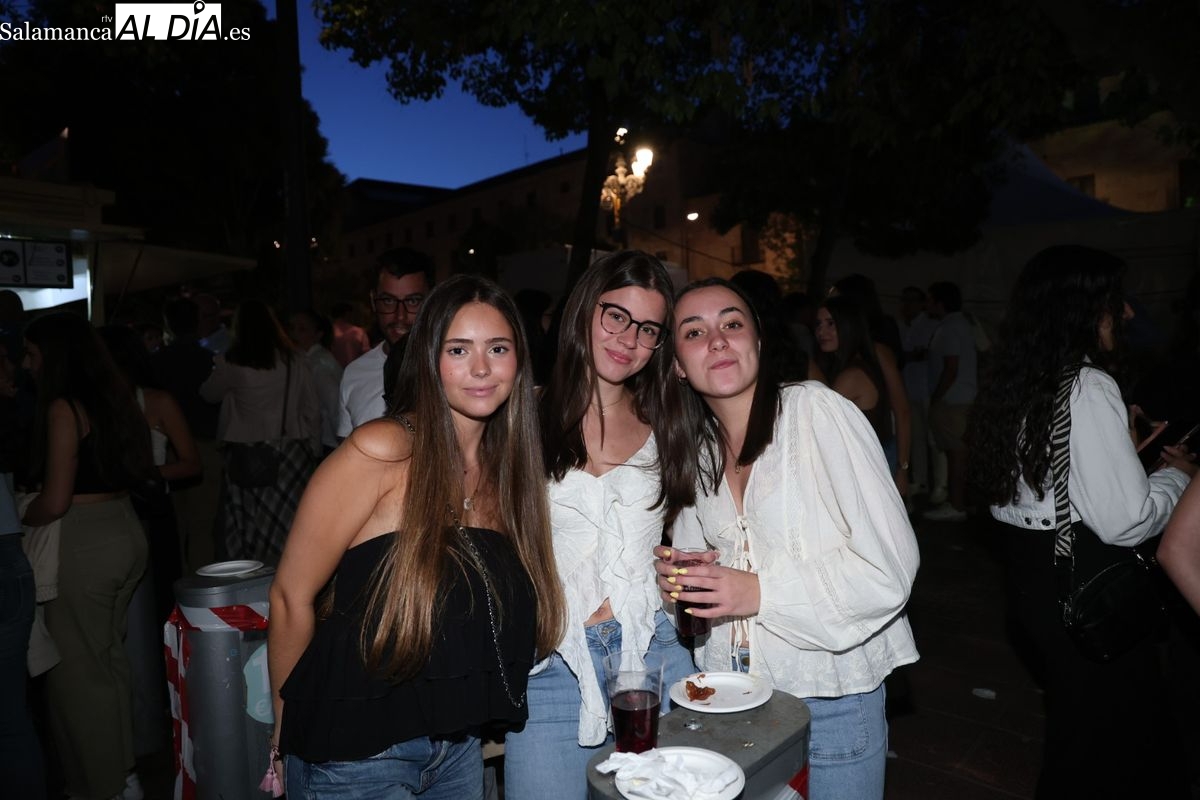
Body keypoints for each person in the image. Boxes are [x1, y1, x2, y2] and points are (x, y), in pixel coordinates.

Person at [269, 275, 564, 800]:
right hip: (355, 756)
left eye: (498, 348)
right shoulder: (383, 448)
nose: (481, 368)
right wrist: (281, 728)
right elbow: (291, 596)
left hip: (456, 749)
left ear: (519, 362)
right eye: (458, 350)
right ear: (429, 358)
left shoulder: (508, 477)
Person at [656, 278, 920, 800]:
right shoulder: (696, 451)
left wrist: (759, 591)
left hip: (829, 701)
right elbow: (696, 579)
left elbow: (890, 567)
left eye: (732, 323)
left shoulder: (816, 413)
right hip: (731, 700)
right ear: (678, 366)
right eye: (694, 332)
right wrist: (676, 590)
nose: (717, 340)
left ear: (757, 340)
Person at [969, 244, 1195, 799]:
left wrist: (1123, 457)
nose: (1128, 312)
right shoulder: (1088, 386)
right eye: (1117, 299)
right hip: (1084, 585)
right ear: (1083, 306)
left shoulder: (1017, 379)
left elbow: (1050, 481)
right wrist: (1178, 479)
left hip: (1032, 578)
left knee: (1080, 728)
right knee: (1111, 740)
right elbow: (1127, 522)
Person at [503, 251, 698, 799]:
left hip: (655, 653)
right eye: (616, 316)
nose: (628, 339)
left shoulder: (671, 421)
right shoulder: (520, 415)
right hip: (552, 664)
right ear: (585, 308)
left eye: (648, 329)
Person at [21, 312, 156, 800]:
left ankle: (101, 786)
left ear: (54, 355)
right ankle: (123, 775)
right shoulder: (115, 397)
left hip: (84, 540)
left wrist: (20, 511)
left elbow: (56, 500)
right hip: (125, 526)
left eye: (32, 354)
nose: (27, 364)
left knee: (77, 676)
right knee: (108, 662)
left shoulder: (63, 407)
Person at [200, 300, 320, 565]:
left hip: (244, 453)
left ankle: (253, 579)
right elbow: (311, 409)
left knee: (249, 526)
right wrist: (314, 448)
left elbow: (208, 394)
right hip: (290, 452)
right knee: (289, 525)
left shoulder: (231, 363)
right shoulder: (295, 360)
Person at [828, 274, 911, 497]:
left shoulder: (876, 350)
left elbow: (902, 410)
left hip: (877, 450)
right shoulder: (836, 353)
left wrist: (903, 468)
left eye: (836, 302)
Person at [337, 249, 433, 439]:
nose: (400, 316)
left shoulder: (455, 369)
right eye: (388, 301)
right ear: (373, 302)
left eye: (413, 301)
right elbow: (346, 449)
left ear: (431, 301)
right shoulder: (354, 373)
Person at [815, 295, 904, 482]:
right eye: (818, 324)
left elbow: (818, 425)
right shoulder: (855, 365)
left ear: (849, 326)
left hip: (866, 469)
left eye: (831, 323)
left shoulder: (852, 375)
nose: (821, 331)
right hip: (871, 463)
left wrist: (903, 468)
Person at [922, 281, 977, 522]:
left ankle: (956, 505)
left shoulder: (951, 327)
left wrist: (936, 398)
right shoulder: (959, 324)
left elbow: (951, 368)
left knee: (956, 454)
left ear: (939, 302)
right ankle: (961, 502)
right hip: (960, 399)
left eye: (929, 299)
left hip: (953, 401)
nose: (926, 304)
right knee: (959, 454)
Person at [288, 309, 344, 455]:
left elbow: (334, 405)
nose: (294, 334)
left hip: (327, 442)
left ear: (318, 334)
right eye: (292, 328)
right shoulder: (305, 360)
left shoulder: (318, 364)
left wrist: (342, 444)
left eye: (302, 329)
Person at [329, 300, 371, 368]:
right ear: (347, 314)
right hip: (355, 370)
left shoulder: (328, 332)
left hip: (333, 370)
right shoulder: (359, 332)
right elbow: (367, 354)